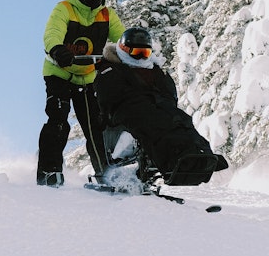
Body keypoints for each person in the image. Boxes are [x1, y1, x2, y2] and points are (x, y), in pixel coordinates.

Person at [95, 27, 228, 183]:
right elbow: (109, 98)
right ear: (124, 50)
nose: (140, 58)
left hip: (153, 106)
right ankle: (172, 161)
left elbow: (169, 94)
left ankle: (199, 153)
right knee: (155, 122)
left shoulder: (154, 70)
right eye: (136, 53)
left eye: (144, 53)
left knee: (181, 119)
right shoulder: (110, 69)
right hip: (126, 111)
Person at [37, 0, 125, 187]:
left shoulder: (106, 15)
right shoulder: (64, 9)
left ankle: (106, 174)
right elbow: (52, 32)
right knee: (58, 118)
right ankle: (49, 173)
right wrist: (57, 49)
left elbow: (123, 38)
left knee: (96, 126)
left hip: (87, 77)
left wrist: (131, 51)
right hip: (60, 73)